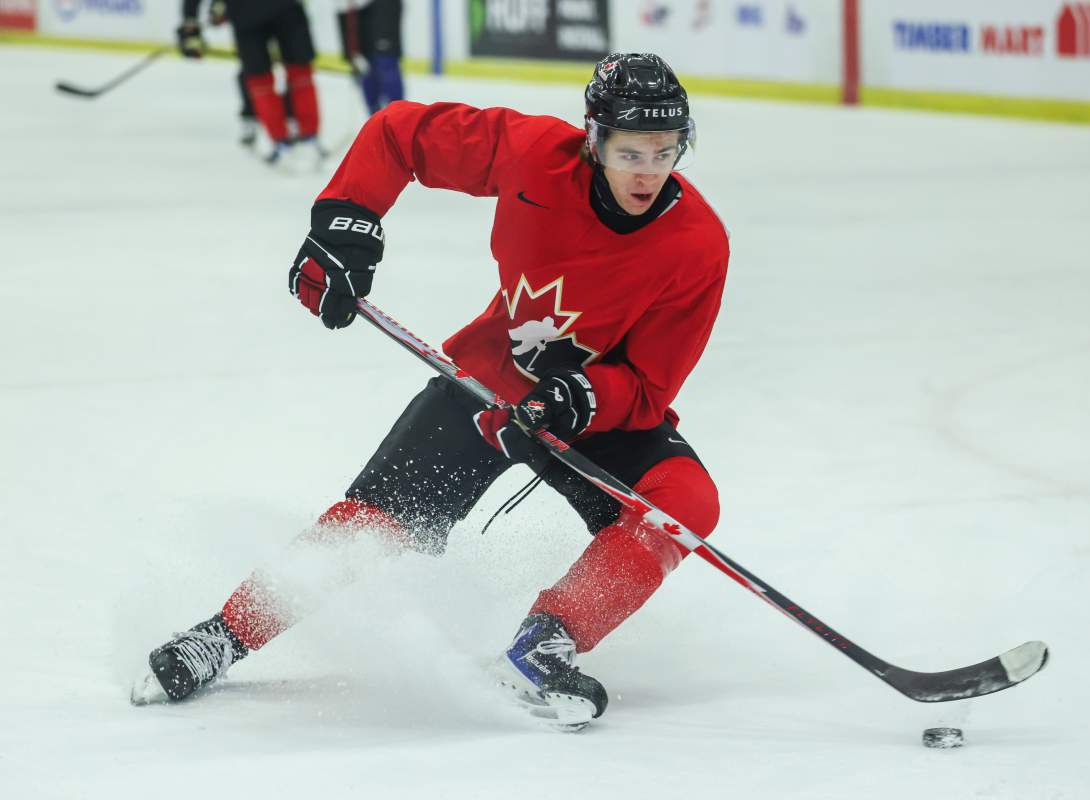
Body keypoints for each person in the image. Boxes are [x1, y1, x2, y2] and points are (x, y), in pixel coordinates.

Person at [133, 53, 728, 729]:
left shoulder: (699, 244)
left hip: (590, 409)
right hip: (487, 387)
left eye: (665, 150)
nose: (649, 171)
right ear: (593, 139)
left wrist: (580, 398)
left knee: (684, 502)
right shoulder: (535, 155)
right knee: (372, 527)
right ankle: (221, 636)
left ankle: (547, 642)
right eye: (629, 151)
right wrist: (346, 220)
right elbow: (399, 133)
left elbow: (651, 382)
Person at [177, 0, 324, 166]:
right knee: (262, 79)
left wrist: (192, 20)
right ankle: (286, 140)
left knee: (296, 73)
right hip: (250, 14)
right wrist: (190, 21)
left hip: (278, 10)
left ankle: (304, 138)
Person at [336, 0, 406, 113]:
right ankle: (376, 122)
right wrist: (349, 52)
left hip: (381, 12)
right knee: (367, 74)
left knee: (385, 64)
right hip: (356, 15)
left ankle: (398, 120)